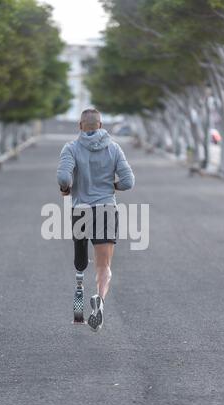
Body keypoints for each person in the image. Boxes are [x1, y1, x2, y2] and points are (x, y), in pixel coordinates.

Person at [57, 109, 135, 332]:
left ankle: (79, 291)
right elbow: (128, 182)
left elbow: (63, 177)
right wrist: (112, 186)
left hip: (80, 210)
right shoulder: (114, 148)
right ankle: (99, 299)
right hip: (106, 209)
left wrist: (66, 188)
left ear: (80, 126)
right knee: (104, 267)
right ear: (100, 126)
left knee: (80, 259)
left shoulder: (70, 148)